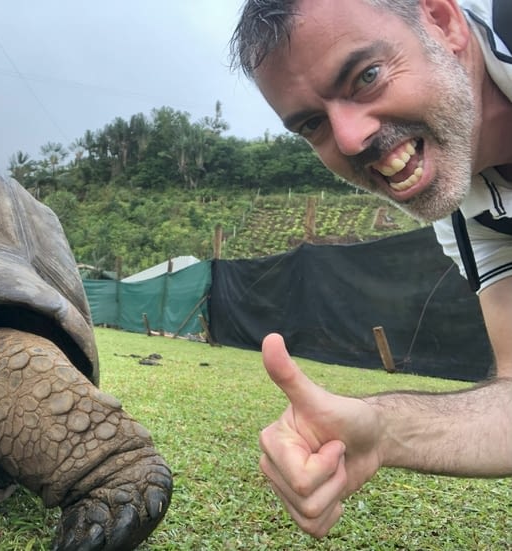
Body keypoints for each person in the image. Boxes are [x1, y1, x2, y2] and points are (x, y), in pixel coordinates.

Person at [229, 0, 512, 538]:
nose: (351, 138)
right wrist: (380, 430)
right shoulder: (466, 209)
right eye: (313, 124)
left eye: (367, 76)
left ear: (444, 21)